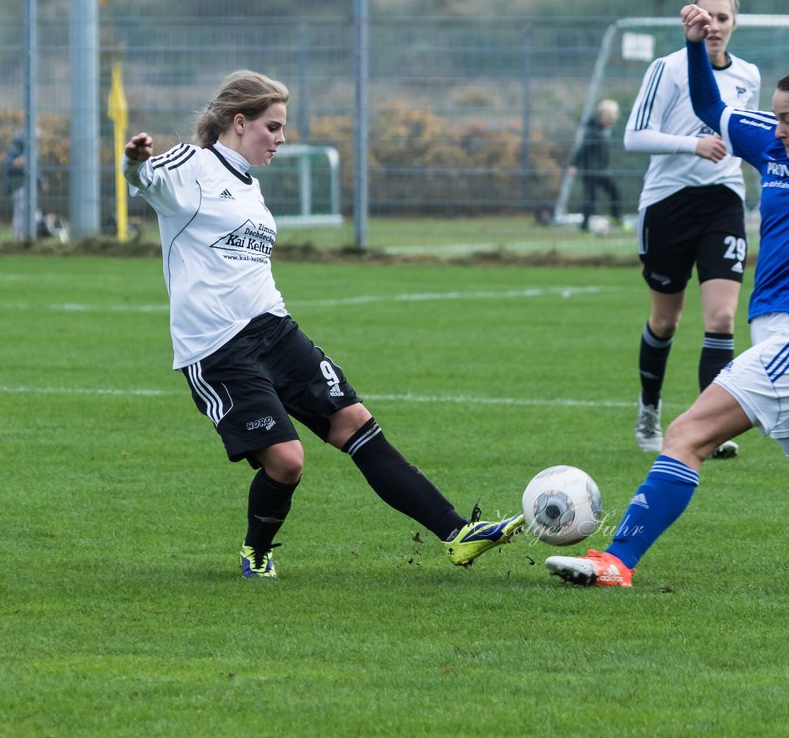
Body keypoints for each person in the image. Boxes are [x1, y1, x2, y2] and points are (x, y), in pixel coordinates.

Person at [121, 69, 524, 579]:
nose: (281, 139)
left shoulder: (249, 188)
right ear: (239, 122)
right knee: (287, 461)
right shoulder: (194, 164)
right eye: (273, 126)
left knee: (356, 424)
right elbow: (144, 177)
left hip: (275, 329)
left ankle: (457, 534)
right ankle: (256, 552)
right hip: (218, 349)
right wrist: (134, 160)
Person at [546, 3, 789, 588]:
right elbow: (710, 109)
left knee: (685, 436)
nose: (775, 128)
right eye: (773, 117)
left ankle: (615, 562)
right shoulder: (773, 145)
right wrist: (697, 46)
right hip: (778, 334)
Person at [624, 0, 761, 458]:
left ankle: (708, 430)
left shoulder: (748, 76)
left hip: (723, 200)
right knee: (666, 320)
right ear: (689, 21)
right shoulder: (667, 68)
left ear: (734, 23)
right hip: (668, 203)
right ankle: (648, 407)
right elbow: (634, 137)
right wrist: (692, 144)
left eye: (723, 18)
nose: (714, 25)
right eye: (705, 16)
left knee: (722, 316)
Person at [568, 98, 624, 233]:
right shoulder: (592, 130)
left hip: (602, 170)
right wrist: (573, 164)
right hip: (591, 170)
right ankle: (584, 227)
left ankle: (615, 219)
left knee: (615, 192)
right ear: (603, 115)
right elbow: (582, 148)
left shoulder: (604, 129)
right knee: (590, 198)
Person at [1, 130, 67, 243]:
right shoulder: (15, 150)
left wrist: (41, 181)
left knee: (24, 212)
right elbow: (8, 166)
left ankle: (23, 238)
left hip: (28, 188)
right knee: (26, 211)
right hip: (19, 187)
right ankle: (25, 237)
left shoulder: (33, 152)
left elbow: (35, 171)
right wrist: (17, 163)